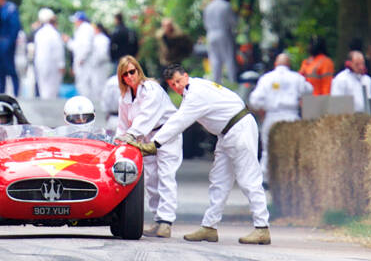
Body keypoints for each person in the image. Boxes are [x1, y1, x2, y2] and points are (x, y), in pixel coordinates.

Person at [129, 64, 271, 245]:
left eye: (179, 81)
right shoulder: (195, 89)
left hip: (239, 129)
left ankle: (262, 228)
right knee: (219, 180)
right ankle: (209, 226)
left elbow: (179, 121)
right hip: (227, 132)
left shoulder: (196, 94)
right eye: (173, 84)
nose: (177, 87)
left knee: (248, 179)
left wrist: (155, 143)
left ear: (186, 76)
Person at [114, 55, 181, 239]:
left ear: (138, 70)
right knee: (151, 179)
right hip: (144, 138)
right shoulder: (125, 97)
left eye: (132, 71)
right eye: (125, 75)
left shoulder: (152, 89)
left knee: (166, 176)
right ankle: (158, 219)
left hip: (166, 134)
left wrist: (130, 135)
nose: (130, 76)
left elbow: (146, 117)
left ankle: (166, 222)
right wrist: (119, 140)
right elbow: (123, 123)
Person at [248, 53, 313, 181]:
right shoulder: (297, 78)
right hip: (291, 117)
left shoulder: (266, 78)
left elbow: (254, 100)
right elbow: (309, 90)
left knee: (268, 149)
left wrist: (262, 109)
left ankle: (265, 179)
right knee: (293, 150)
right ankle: (291, 178)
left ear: (275, 64)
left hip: (272, 116)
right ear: (289, 65)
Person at [202, 0, 238, 86]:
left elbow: (205, 23)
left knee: (214, 58)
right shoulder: (226, 5)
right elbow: (234, 22)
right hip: (223, 32)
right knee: (229, 57)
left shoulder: (208, 7)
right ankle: (232, 80)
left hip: (210, 33)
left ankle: (216, 81)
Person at [0, 0, 21, 95]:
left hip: (7, 41)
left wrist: (10, 43)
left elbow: (15, 27)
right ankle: (1, 92)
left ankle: (16, 92)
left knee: (10, 68)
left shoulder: (10, 8)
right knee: (0, 69)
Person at [33, 8, 65, 99]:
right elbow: (58, 51)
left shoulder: (39, 33)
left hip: (40, 63)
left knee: (43, 87)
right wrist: (61, 65)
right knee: (52, 89)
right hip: (52, 64)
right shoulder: (54, 34)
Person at [65, 11, 94, 96]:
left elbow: (86, 46)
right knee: (81, 85)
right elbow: (77, 47)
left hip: (84, 62)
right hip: (81, 62)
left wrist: (82, 58)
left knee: (84, 85)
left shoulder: (85, 29)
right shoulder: (82, 29)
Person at [88, 24, 113, 111]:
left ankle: (102, 107)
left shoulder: (102, 39)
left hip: (101, 66)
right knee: (96, 86)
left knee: (101, 86)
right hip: (97, 67)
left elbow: (102, 54)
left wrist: (95, 62)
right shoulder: (97, 39)